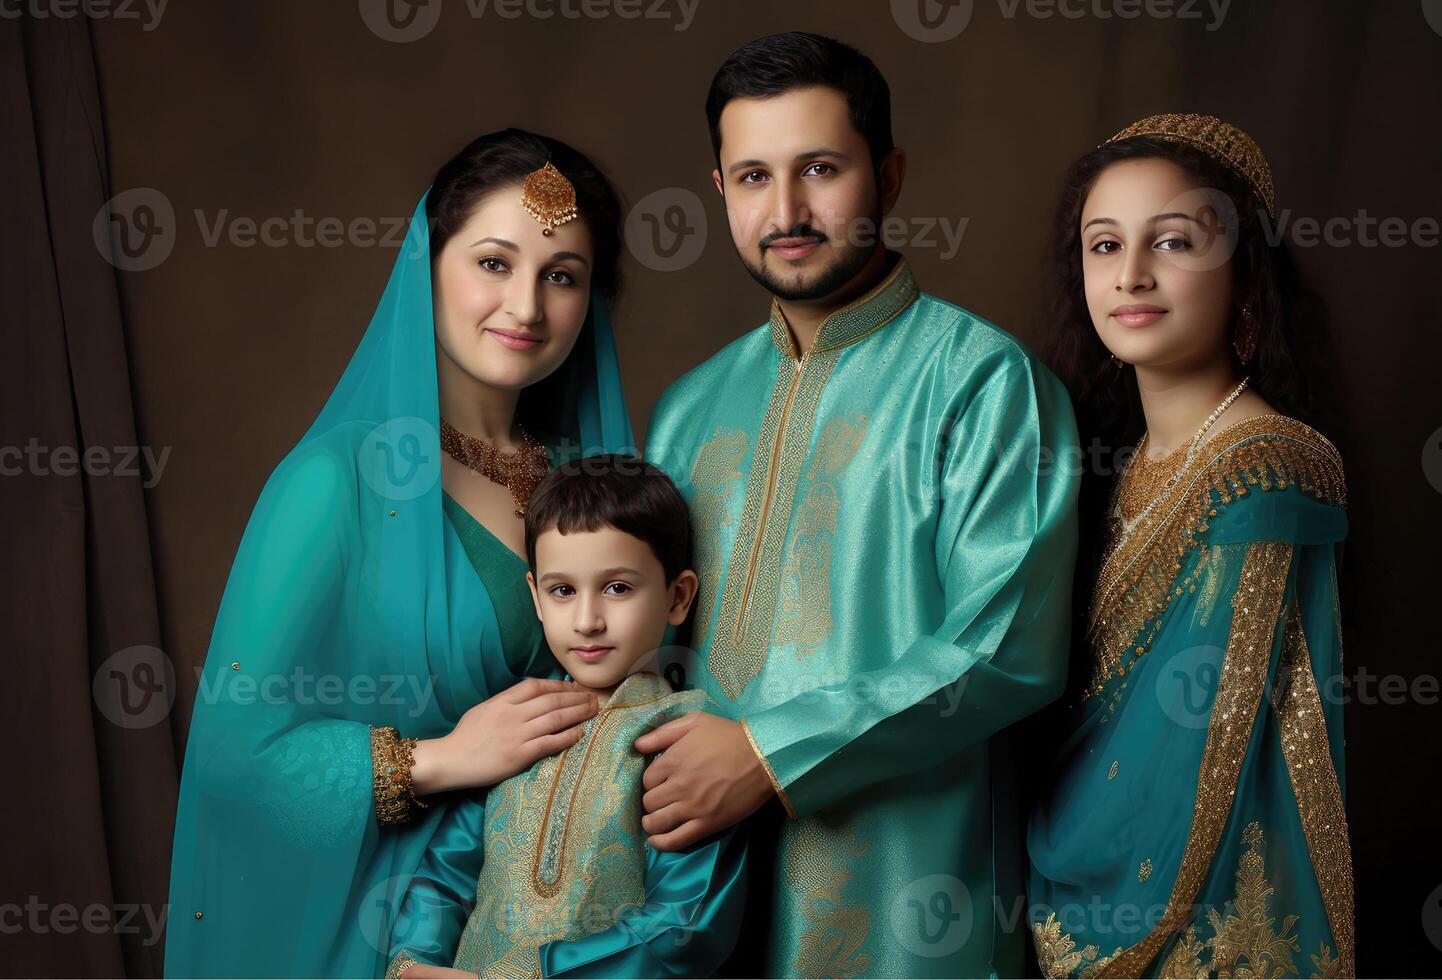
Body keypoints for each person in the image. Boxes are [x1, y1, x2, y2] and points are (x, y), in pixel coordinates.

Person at [636, 32, 1081, 977]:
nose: (786, 210)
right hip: (701, 900)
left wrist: (767, 752)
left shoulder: (986, 385)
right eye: (753, 176)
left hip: (911, 904)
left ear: (890, 174)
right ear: (718, 191)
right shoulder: (686, 411)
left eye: (821, 169)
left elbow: (1006, 649)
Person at [163, 129, 637, 977]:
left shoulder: (592, 486)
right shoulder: (334, 482)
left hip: (560, 937)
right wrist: (443, 758)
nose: (526, 306)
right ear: (428, 265)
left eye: (560, 276)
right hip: (381, 940)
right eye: (494, 263)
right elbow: (238, 753)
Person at [1026, 113, 1355, 978]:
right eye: (1104, 246)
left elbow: (1199, 748)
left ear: (1246, 275)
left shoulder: (1267, 468)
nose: (1130, 274)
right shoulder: (1122, 460)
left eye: (1172, 241)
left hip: (1185, 916)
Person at [384, 456, 748, 979]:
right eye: (563, 590)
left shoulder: (687, 738)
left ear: (677, 596)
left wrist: (536, 975)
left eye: (617, 588)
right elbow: (446, 872)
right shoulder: (512, 721)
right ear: (535, 597)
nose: (587, 620)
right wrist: (413, 963)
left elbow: (683, 927)